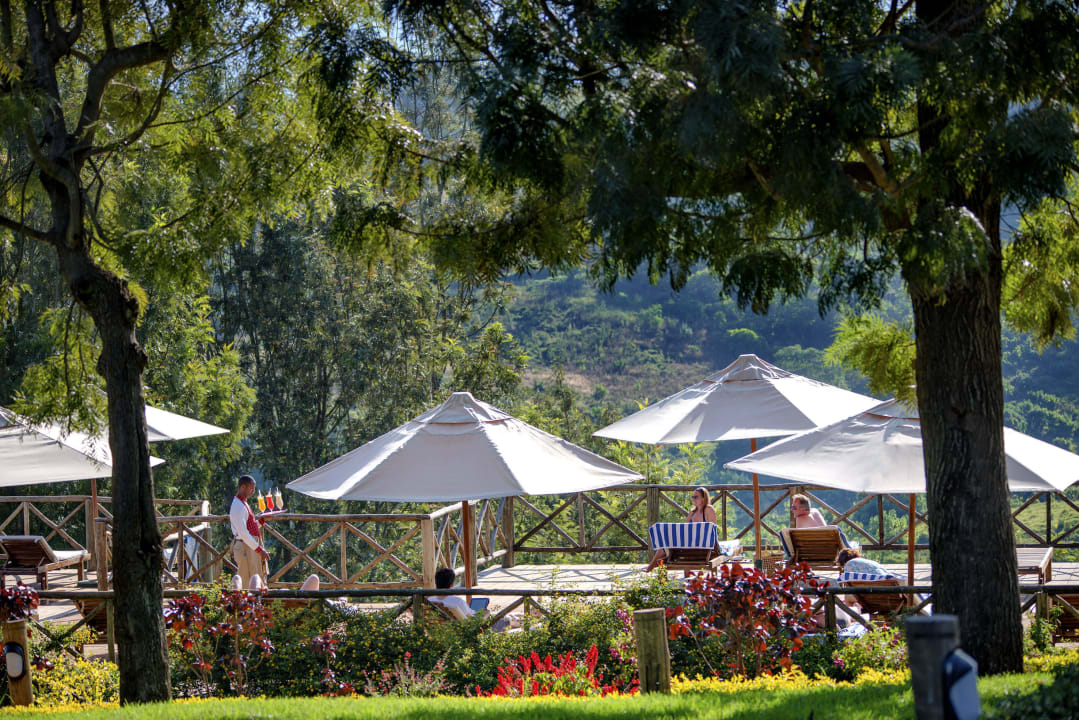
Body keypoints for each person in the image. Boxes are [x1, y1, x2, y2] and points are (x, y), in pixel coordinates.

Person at [644, 487, 718, 572]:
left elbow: (712, 530)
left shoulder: (708, 509)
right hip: (691, 546)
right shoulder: (692, 512)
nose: (693, 499)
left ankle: (649, 568)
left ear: (703, 498)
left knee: (663, 548)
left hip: (703, 546)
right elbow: (684, 529)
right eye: (693, 497)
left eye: (696, 497)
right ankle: (650, 568)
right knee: (663, 546)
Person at [230, 475, 270, 589]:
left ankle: (257, 603)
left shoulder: (243, 503)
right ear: (243, 487)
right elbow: (243, 533)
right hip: (245, 545)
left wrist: (261, 522)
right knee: (246, 580)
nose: (253, 491)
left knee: (255, 575)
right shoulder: (238, 506)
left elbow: (248, 529)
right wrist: (259, 549)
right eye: (251, 488)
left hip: (249, 545)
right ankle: (246, 604)